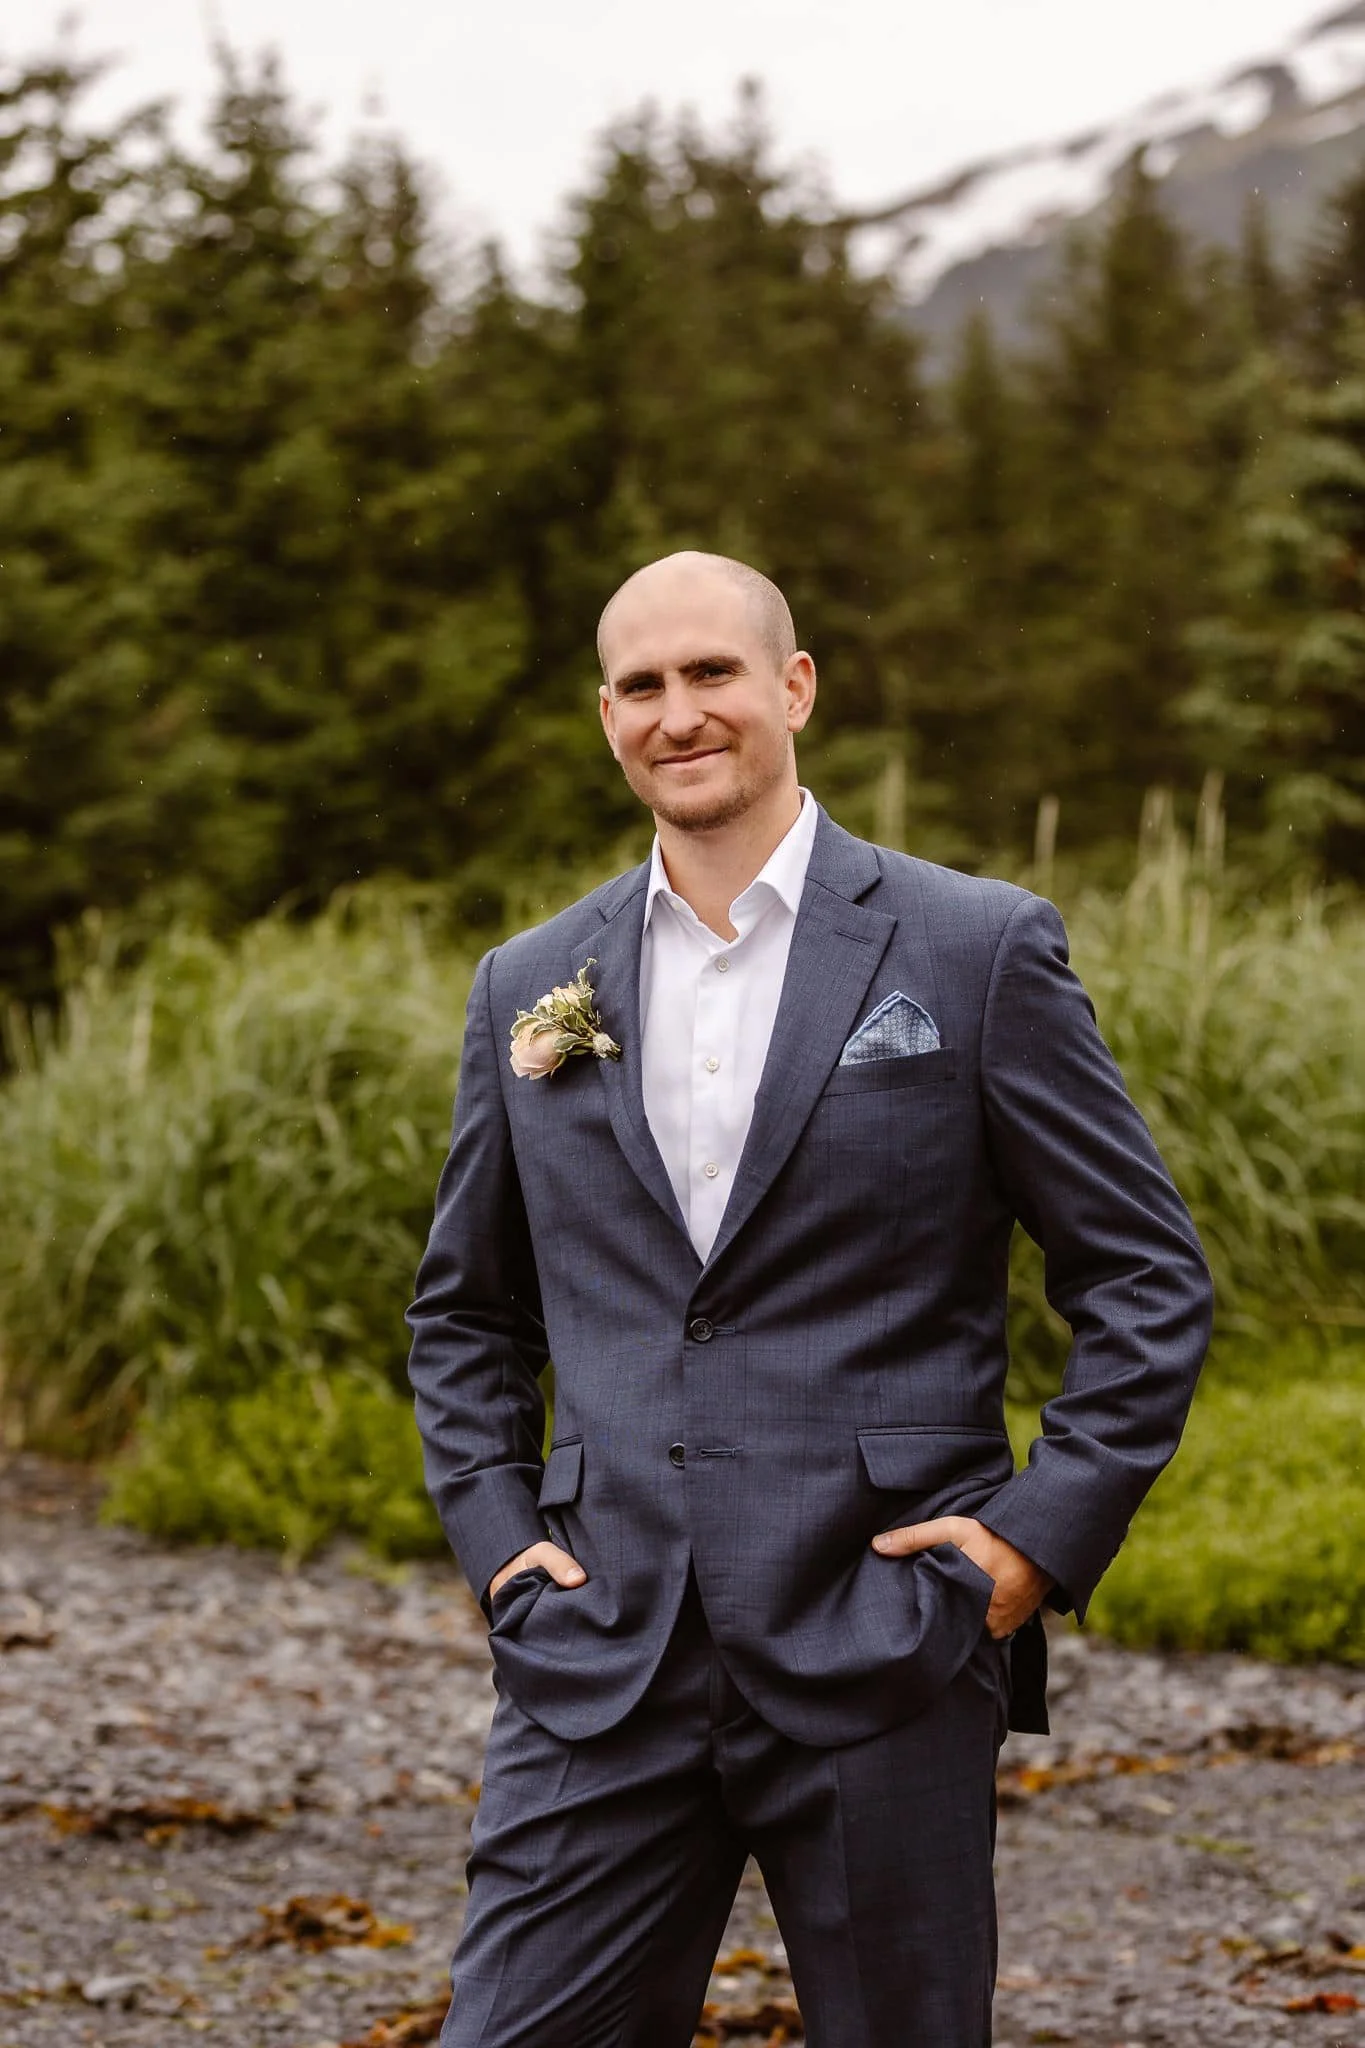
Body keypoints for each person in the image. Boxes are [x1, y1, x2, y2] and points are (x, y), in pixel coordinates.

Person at [406, 550, 1213, 2048]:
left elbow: (1147, 1276)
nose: (678, 712)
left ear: (794, 688)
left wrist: (1029, 1548)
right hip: (602, 1649)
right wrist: (505, 1548)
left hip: (888, 1635)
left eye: (712, 672)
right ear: (606, 715)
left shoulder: (973, 949)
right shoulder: (529, 981)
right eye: (642, 686)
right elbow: (467, 1311)